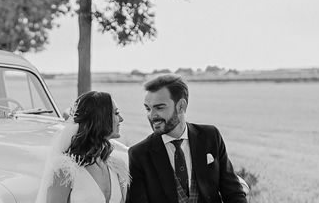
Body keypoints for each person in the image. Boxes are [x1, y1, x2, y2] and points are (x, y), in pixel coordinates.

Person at [126, 74, 248, 203]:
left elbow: (233, 192)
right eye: (148, 108)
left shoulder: (210, 136)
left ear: (181, 106)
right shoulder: (138, 154)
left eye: (159, 107)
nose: (152, 115)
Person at [36, 91, 130, 203]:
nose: (121, 119)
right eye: (116, 113)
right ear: (100, 118)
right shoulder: (65, 170)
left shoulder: (117, 166)